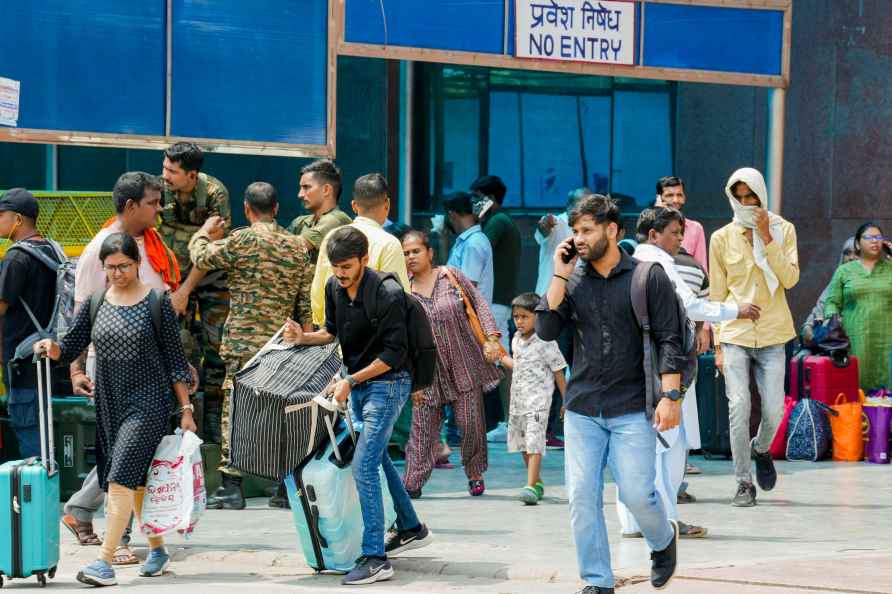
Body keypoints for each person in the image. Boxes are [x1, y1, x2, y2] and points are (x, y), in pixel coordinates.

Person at [536, 194, 683, 593]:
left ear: (612, 230)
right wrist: (559, 275)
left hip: (632, 406)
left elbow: (671, 339)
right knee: (581, 499)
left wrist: (671, 398)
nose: (579, 239)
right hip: (583, 407)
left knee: (637, 495)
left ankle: (662, 539)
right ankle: (597, 581)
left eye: (587, 230)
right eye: (575, 231)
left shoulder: (647, 276)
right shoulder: (574, 279)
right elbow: (546, 329)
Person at [34, 232, 195, 587]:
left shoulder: (156, 303)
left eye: (124, 266)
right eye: (111, 267)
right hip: (108, 403)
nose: (118, 273)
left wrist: (186, 409)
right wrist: (53, 349)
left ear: (138, 264)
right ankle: (157, 550)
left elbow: (174, 359)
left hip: (149, 402)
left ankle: (104, 561)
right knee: (134, 480)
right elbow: (73, 344)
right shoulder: (96, 302)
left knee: (119, 475)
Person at [283, 226, 432, 586]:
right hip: (358, 383)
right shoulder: (334, 287)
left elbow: (394, 356)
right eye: (336, 267)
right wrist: (303, 336)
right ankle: (411, 526)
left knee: (363, 465)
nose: (341, 274)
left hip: (389, 383)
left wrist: (350, 381)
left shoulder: (389, 293)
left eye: (347, 266)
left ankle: (376, 558)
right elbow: (331, 331)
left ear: (365, 260)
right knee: (376, 455)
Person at [617, 207, 760, 540]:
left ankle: (635, 521)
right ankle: (664, 520)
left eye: (681, 233)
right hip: (661, 367)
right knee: (667, 448)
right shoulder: (657, 266)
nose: (681, 239)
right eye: (674, 233)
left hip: (640, 366)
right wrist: (734, 310)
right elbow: (689, 306)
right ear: (654, 234)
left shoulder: (633, 263)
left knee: (643, 447)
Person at [62, 171, 180, 564]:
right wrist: (76, 370)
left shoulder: (147, 246)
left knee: (126, 464)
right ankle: (127, 542)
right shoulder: (102, 249)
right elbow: (82, 316)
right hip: (109, 367)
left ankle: (111, 548)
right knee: (123, 464)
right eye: (152, 203)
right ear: (131, 206)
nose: (158, 209)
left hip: (148, 376)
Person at [190, 182, 314, 511]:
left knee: (237, 411)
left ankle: (232, 487)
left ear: (247, 209)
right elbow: (304, 305)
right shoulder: (297, 247)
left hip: (243, 342)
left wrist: (204, 232)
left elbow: (201, 257)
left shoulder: (241, 240)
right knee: (283, 412)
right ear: (276, 209)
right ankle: (287, 487)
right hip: (283, 344)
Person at [710, 167, 799, 508]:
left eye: (752, 197)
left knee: (775, 411)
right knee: (739, 406)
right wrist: (717, 343)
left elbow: (790, 279)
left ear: (762, 196)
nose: (747, 203)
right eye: (740, 197)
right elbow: (717, 296)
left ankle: (760, 449)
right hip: (735, 332)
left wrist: (767, 237)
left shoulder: (783, 229)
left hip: (775, 331)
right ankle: (743, 482)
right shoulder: (721, 238)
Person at [400, 230, 502, 498]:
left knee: (470, 425)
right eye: (406, 253)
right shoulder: (403, 291)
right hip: (427, 375)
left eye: (416, 251)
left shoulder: (452, 276)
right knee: (422, 432)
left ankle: (475, 472)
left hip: (464, 364)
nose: (411, 257)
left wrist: (492, 338)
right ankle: (412, 483)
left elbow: (479, 305)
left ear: (429, 253)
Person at [159, 142, 231, 444]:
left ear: (192, 175)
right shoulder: (160, 191)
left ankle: (215, 430)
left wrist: (186, 290)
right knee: (179, 347)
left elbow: (210, 249)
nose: (165, 176)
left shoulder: (215, 194)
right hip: (175, 279)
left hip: (210, 278)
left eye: (172, 171)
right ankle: (178, 424)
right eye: (164, 167)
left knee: (217, 351)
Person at [0, 189, 57, 458]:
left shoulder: (16, 257)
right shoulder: (53, 250)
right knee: (51, 432)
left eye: (1, 215)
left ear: (18, 219)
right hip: (52, 358)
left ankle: (35, 497)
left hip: (22, 364)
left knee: (30, 436)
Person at [310, 173, 409, 326]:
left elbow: (317, 293)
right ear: (387, 204)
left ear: (354, 206)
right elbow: (398, 301)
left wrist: (326, 326)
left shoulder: (332, 236)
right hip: (372, 343)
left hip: (332, 338)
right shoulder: (389, 243)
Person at [498, 292, 566, 506]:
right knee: (522, 444)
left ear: (538, 317)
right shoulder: (516, 341)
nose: (519, 321)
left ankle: (529, 487)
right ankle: (536, 481)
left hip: (538, 402)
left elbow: (558, 372)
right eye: (516, 317)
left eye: (524, 316)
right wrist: (499, 358)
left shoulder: (546, 342)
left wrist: (567, 400)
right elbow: (518, 365)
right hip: (518, 401)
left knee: (534, 441)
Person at [824, 223, 892, 390]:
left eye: (878, 237)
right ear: (857, 243)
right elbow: (832, 302)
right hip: (855, 338)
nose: (874, 241)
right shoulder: (844, 271)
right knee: (856, 387)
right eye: (869, 237)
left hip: (887, 339)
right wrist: (833, 323)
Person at [470, 175, 521, 351]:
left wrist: (474, 221)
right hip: (500, 299)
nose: (473, 202)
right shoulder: (500, 219)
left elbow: (478, 252)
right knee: (502, 352)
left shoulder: (497, 221)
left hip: (494, 299)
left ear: (490, 199)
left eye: (477, 197)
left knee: (486, 352)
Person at [287, 159, 352, 262]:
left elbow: (290, 247)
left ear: (326, 190)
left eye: (306, 187)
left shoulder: (337, 219)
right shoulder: (301, 222)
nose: (300, 194)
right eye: (301, 188)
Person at [534, 187, 590, 296]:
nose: (586, 210)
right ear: (569, 206)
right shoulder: (558, 223)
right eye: (582, 204)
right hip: (548, 303)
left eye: (590, 206)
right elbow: (545, 227)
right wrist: (546, 225)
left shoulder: (592, 230)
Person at [800, 238, 856, 343]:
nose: (851, 258)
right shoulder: (835, 284)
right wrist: (809, 327)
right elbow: (818, 312)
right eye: (847, 253)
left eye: (857, 253)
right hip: (835, 348)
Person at [443, 191, 494, 305]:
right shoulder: (466, 241)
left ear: (452, 215)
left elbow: (467, 289)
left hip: (469, 318)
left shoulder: (473, 243)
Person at [655, 176, 708, 271]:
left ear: (684, 197)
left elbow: (702, 268)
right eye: (669, 195)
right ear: (659, 198)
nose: (675, 200)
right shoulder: (651, 227)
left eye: (679, 195)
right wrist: (657, 214)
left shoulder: (695, 228)